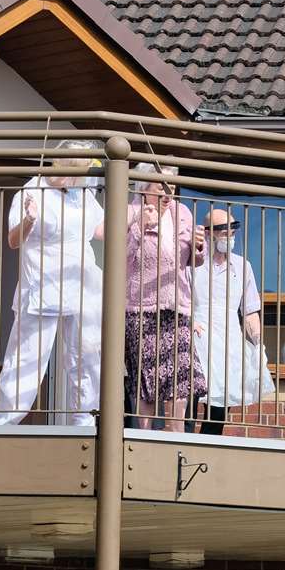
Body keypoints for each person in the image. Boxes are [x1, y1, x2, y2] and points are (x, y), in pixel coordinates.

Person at [0, 140, 107, 426]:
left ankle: (85, 422)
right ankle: (4, 424)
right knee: (27, 359)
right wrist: (29, 219)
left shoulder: (83, 193)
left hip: (83, 284)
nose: (82, 176)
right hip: (42, 284)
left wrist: (134, 215)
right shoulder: (33, 191)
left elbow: (98, 229)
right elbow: (13, 240)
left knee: (87, 355)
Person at [125, 165, 203, 431]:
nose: (169, 194)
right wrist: (139, 228)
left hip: (177, 305)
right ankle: (143, 438)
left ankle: (176, 432)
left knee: (181, 376)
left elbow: (191, 261)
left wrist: (199, 247)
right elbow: (121, 258)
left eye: (173, 187)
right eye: (162, 188)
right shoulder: (131, 212)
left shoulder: (182, 212)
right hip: (141, 307)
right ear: (145, 188)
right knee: (146, 378)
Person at [192, 208, 273, 434]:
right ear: (208, 234)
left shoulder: (242, 265)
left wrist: (257, 340)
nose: (229, 234)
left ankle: (208, 451)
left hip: (228, 338)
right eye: (222, 230)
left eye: (233, 228)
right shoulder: (192, 262)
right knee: (190, 398)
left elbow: (249, 311)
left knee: (219, 406)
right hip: (196, 334)